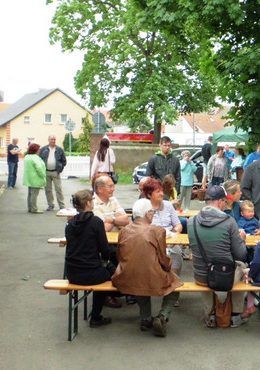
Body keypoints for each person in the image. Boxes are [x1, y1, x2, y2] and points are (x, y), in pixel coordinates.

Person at [111, 199, 182, 337]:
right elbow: (163, 259)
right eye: (153, 212)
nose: (153, 214)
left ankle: (145, 318)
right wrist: (168, 267)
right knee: (176, 285)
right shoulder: (157, 231)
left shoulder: (124, 231)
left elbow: (119, 255)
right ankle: (163, 316)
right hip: (152, 276)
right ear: (148, 214)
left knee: (139, 281)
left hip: (127, 276)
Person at [187, 185, 248, 328]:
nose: (226, 206)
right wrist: (242, 240)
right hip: (225, 277)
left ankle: (210, 314)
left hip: (201, 277)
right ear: (220, 202)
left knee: (203, 266)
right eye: (225, 202)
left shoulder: (191, 222)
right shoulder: (228, 221)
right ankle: (235, 315)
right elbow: (240, 254)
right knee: (242, 266)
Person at [65, 190, 115, 328]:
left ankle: (97, 313)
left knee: (108, 270)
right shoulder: (96, 222)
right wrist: (107, 260)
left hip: (72, 273)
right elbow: (104, 249)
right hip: (91, 273)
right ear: (88, 203)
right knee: (114, 273)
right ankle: (95, 316)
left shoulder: (70, 225)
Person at [143, 177, 183, 306]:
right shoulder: (144, 208)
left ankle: (173, 289)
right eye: (157, 192)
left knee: (177, 252)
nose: (161, 194)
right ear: (149, 195)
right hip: (152, 242)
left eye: (161, 190)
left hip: (169, 239)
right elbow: (141, 229)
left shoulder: (168, 205)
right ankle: (152, 287)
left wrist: (175, 232)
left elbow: (178, 224)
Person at [39, 135, 67, 211]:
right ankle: (50, 205)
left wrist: (60, 169)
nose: (53, 141)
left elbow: (64, 161)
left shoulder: (59, 150)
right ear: (48, 140)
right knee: (48, 189)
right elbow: (39, 160)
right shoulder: (43, 149)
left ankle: (61, 205)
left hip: (55, 172)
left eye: (54, 139)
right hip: (46, 172)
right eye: (51, 139)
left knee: (58, 189)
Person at [23, 143, 46, 214]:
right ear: (35, 150)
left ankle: (30, 207)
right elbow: (38, 168)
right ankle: (34, 208)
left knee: (30, 193)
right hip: (35, 178)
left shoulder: (27, 157)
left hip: (29, 178)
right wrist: (43, 175)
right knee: (34, 194)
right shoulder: (35, 157)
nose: (39, 150)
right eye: (38, 149)